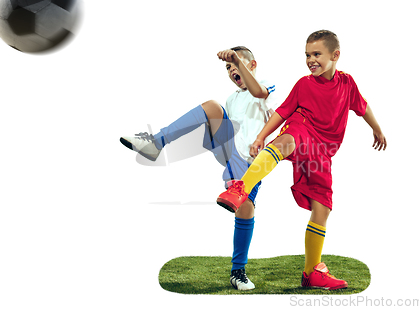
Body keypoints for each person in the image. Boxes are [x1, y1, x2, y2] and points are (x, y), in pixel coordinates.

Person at [217, 30, 387, 290]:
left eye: (316, 54)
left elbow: (362, 107)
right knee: (288, 139)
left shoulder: (347, 83)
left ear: (335, 55)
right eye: (307, 55)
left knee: (323, 207)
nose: (311, 60)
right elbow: (283, 112)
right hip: (303, 127)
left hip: (323, 149)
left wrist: (377, 129)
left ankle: (311, 272)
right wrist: (262, 136)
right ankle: (241, 187)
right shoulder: (304, 84)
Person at [120, 46, 279, 290]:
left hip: (251, 161)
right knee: (213, 106)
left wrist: (236, 58)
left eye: (237, 64)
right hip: (228, 149)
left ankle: (238, 271)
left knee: (245, 209)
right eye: (228, 67)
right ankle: (156, 143)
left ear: (253, 65)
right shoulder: (232, 98)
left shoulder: (266, 85)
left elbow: (258, 92)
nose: (231, 69)